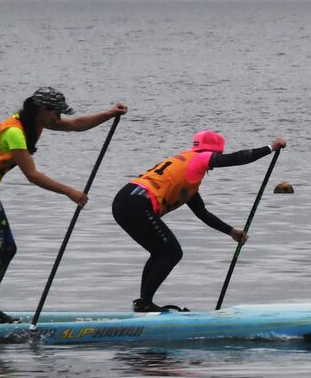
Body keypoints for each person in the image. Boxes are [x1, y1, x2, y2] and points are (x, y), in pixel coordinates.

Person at [0, 88, 127, 324]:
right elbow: (32, 175)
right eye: (56, 113)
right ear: (43, 110)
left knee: (8, 248)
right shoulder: (14, 132)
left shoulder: (34, 122)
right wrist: (70, 192)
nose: (59, 118)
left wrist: (109, 114)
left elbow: (76, 124)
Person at [113, 131, 286, 313]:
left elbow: (202, 212)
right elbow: (236, 158)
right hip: (137, 203)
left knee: (160, 252)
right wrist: (270, 148)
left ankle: (143, 304)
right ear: (214, 152)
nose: (214, 162)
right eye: (216, 156)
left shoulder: (186, 168)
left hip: (125, 201)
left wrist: (230, 231)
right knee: (172, 252)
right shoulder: (200, 157)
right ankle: (145, 303)